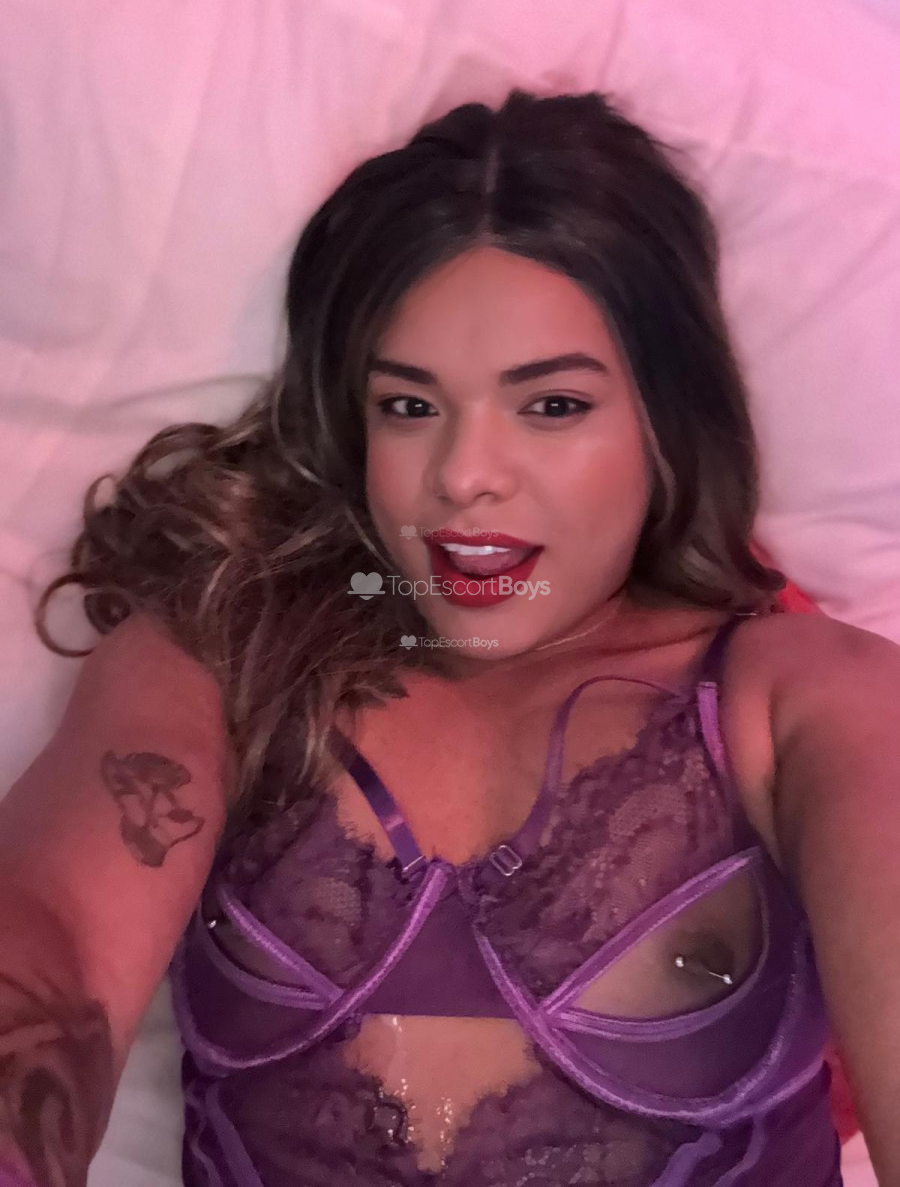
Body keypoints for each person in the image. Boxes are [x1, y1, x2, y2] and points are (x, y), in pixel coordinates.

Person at [1, 88, 898, 1187]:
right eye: (410, 407)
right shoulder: (220, 655)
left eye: (552, 405)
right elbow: (51, 933)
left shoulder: (808, 703)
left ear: (666, 422)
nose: (464, 476)